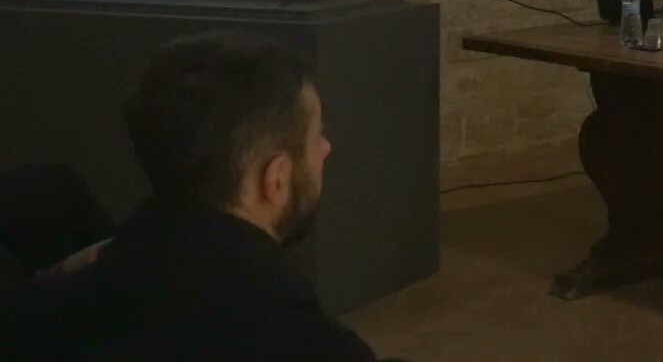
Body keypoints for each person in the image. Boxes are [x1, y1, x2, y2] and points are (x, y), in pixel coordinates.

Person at [0, 31, 398, 362]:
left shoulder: (31, 315)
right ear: (275, 179)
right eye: (316, 135)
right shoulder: (301, 338)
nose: (326, 148)